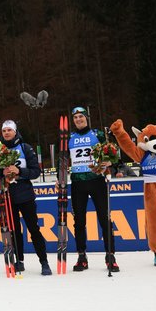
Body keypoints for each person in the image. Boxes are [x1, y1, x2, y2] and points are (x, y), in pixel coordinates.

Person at [0, 120, 52, 275]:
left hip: (25, 194)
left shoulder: (25, 148)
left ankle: (44, 262)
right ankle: (19, 261)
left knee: (34, 229)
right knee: (14, 230)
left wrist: (19, 171)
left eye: (9, 130)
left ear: (15, 131)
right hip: (7, 196)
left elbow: (35, 172)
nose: (6, 133)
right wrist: (2, 172)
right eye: (4, 130)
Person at [67, 107, 119, 272]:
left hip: (97, 180)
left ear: (87, 118)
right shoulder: (69, 137)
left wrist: (109, 163)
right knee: (79, 221)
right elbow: (63, 160)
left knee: (104, 219)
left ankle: (110, 256)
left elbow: (114, 154)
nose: (78, 120)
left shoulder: (98, 134)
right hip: (77, 182)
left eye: (81, 116)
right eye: (75, 117)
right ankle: (82, 256)